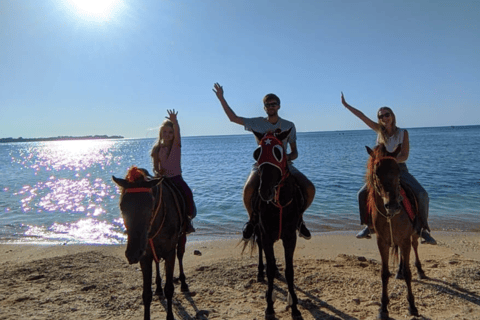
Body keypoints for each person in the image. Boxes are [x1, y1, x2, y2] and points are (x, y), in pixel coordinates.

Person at [213, 82, 315, 240]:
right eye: (267, 104)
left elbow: (295, 152)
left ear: (279, 106)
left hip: (284, 166)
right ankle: (251, 220)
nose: (271, 106)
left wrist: (287, 157)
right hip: (262, 165)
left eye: (273, 104)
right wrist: (221, 98)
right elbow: (233, 118)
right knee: (248, 190)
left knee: (309, 188)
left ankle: (299, 220)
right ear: (264, 108)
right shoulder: (257, 123)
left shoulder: (289, 125)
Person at [341, 92, 436, 245]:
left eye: (387, 114)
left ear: (392, 115)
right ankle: (369, 226)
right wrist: (346, 106)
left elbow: (404, 155)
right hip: (382, 170)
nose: (384, 118)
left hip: (399, 169)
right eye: (381, 116)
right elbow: (362, 116)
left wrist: (392, 160)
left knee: (422, 194)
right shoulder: (379, 131)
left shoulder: (403, 133)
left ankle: (423, 229)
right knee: (361, 194)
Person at [151, 109, 196, 234]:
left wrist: (175, 121)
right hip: (162, 179)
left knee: (187, 194)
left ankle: (187, 221)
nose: (167, 134)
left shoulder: (176, 145)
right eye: (165, 131)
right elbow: (155, 166)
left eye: (170, 132)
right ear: (161, 133)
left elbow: (178, 132)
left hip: (176, 179)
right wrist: (158, 171)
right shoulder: (157, 148)